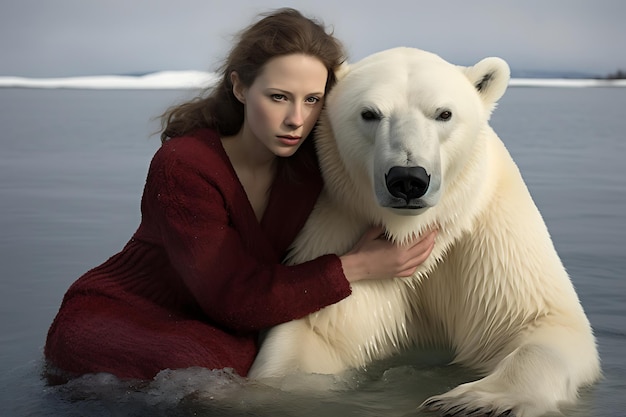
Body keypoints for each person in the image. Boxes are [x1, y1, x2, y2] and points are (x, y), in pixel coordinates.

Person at [44, 8, 437, 383]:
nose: (296, 119)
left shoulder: (313, 164)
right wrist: (360, 266)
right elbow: (232, 297)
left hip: (221, 325)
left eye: (312, 100)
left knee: (237, 370)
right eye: (279, 97)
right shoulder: (185, 164)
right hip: (121, 316)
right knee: (202, 378)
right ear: (240, 87)